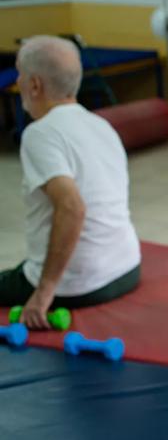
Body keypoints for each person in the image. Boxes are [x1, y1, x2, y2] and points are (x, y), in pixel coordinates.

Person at [1, 36, 141, 328]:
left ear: (35, 85)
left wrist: (43, 293)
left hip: (80, 286)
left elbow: (72, 207)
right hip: (127, 270)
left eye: (21, 75)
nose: (19, 83)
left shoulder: (39, 134)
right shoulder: (102, 125)